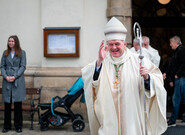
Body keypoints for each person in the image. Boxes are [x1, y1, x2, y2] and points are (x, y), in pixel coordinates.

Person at [81, 17, 167, 135]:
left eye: (117, 44)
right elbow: (91, 81)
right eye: (110, 44)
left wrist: (147, 77)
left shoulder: (138, 60)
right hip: (109, 117)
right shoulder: (102, 61)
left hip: (132, 117)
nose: (114, 47)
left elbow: (157, 81)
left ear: (125, 44)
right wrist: (99, 62)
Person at [1, 35, 26, 133]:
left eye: (12, 41)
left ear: (16, 42)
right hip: (7, 81)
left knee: (18, 105)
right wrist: (5, 76)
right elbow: (2, 66)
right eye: (9, 41)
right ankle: (7, 126)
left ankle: (18, 126)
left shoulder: (22, 53)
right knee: (7, 105)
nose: (10, 43)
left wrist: (15, 76)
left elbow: (23, 66)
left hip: (17, 81)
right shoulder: (5, 53)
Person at [167, 36, 185, 127]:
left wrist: (177, 74)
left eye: (171, 43)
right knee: (180, 98)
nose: (170, 45)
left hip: (180, 78)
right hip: (179, 78)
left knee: (176, 99)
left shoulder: (181, 50)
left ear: (176, 42)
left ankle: (173, 120)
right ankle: (175, 119)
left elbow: (183, 63)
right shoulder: (178, 51)